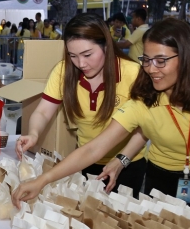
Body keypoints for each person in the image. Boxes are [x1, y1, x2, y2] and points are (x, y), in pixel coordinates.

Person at [13, 18, 190, 217]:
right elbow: (93, 149)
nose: (151, 69)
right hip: (160, 180)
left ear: (186, 57)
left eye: (160, 61)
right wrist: (42, 180)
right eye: (146, 60)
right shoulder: (143, 100)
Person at [16, 14, 147, 197]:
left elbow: (144, 128)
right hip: (83, 161)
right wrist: (33, 133)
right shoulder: (64, 71)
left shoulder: (133, 73)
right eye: (73, 56)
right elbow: (43, 112)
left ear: (106, 45)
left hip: (127, 163)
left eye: (87, 55)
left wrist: (121, 159)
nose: (81, 63)